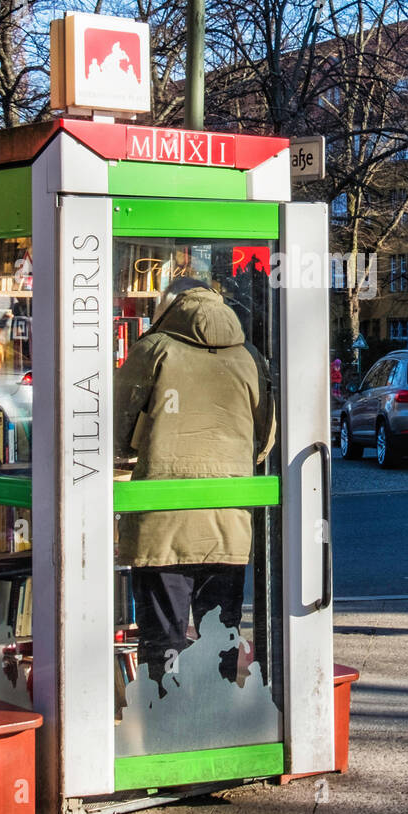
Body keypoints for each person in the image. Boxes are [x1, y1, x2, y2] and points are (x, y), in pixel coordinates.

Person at [114, 277, 275, 688]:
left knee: (163, 642)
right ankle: (216, 730)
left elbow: (114, 428)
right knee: (221, 637)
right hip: (229, 519)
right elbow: (265, 438)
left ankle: (164, 732)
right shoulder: (249, 357)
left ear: (169, 307)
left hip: (162, 523)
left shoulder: (153, 349)